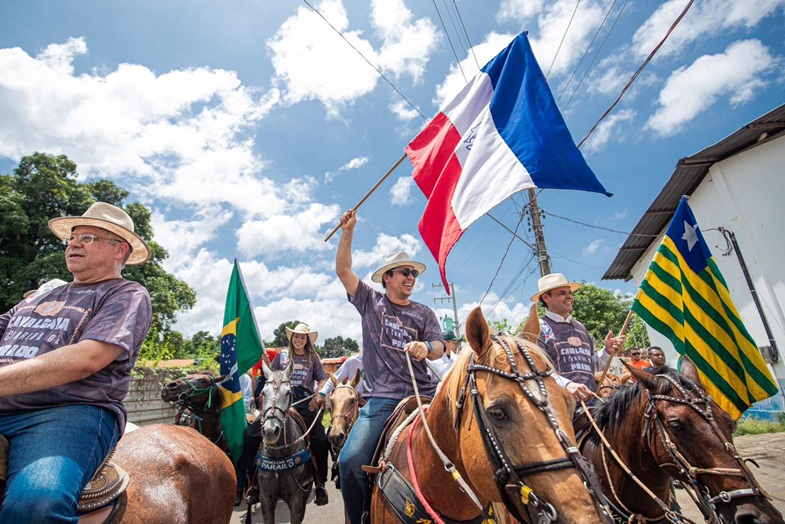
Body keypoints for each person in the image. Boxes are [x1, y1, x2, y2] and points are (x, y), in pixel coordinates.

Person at [0, 202, 152, 522]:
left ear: (118, 249)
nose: (73, 243)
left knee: (36, 505)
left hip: (68, 413)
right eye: (72, 237)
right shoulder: (34, 300)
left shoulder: (126, 294)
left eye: (87, 237)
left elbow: (87, 359)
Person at [335, 209, 445, 524]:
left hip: (425, 393)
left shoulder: (424, 313)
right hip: (382, 399)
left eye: (413, 273)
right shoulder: (371, 301)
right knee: (350, 460)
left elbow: (438, 347)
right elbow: (343, 269)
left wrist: (427, 347)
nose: (411, 278)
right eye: (404, 272)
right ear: (388, 277)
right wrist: (348, 231)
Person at [532, 273, 625, 403]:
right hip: (560, 405)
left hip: (592, 401)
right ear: (546, 297)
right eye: (562, 293)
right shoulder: (539, 328)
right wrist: (567, 385)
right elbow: (537, 370)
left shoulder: (580, 327)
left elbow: (591, 365)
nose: (569, 296)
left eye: (569, 292)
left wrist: (607, 351)